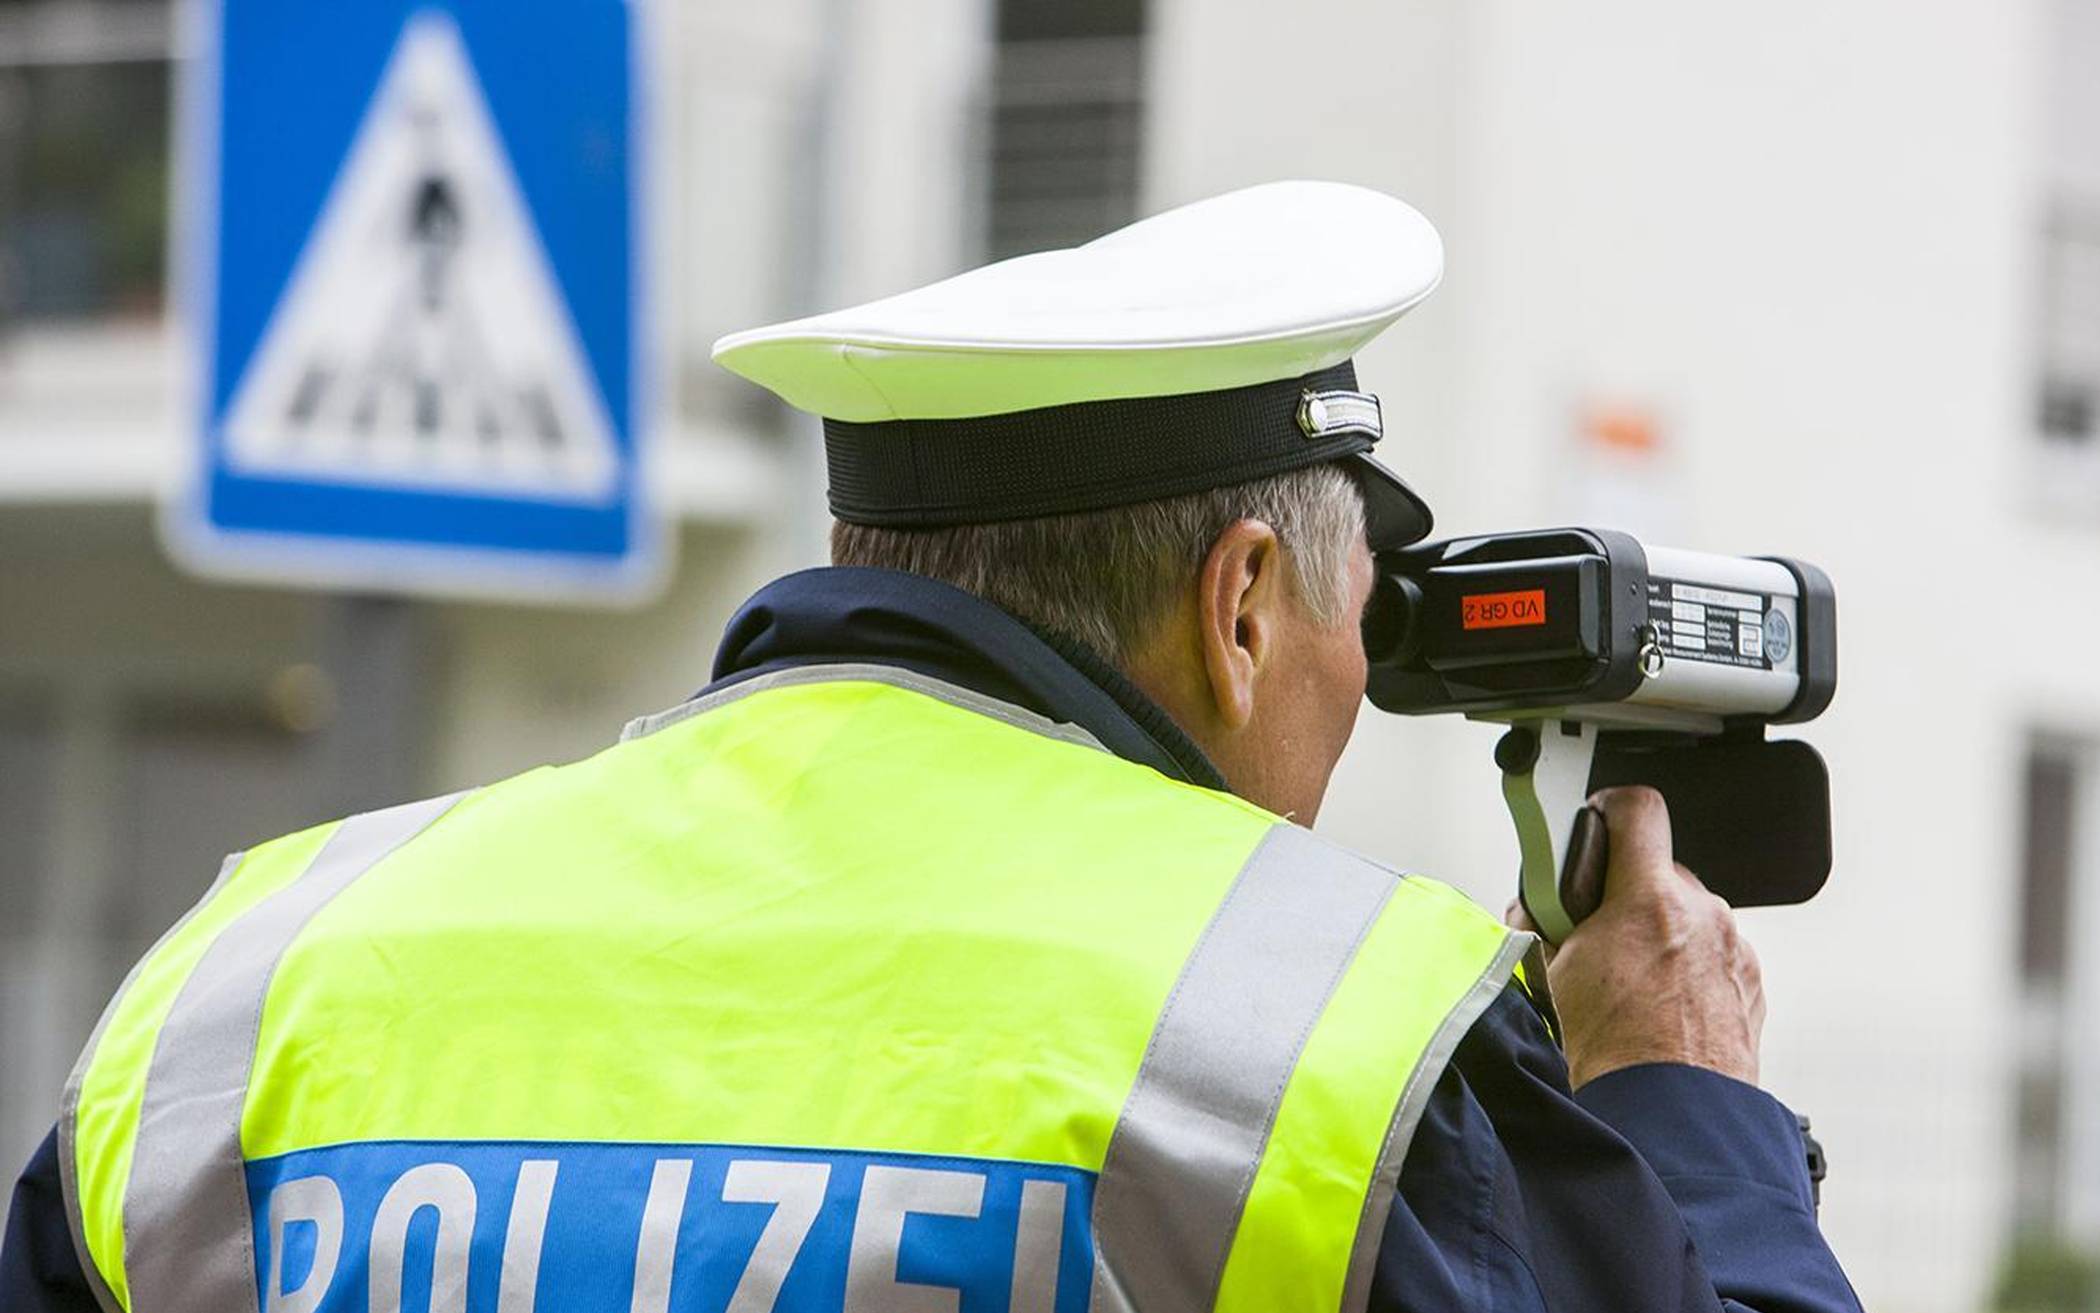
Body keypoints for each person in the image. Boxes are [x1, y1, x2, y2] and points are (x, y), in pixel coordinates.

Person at [2, 181, 1859, 1313]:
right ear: (1233, 608)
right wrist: (1680, 1100)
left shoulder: (246, 985)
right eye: (1349, 618)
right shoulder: (1320, 1054)